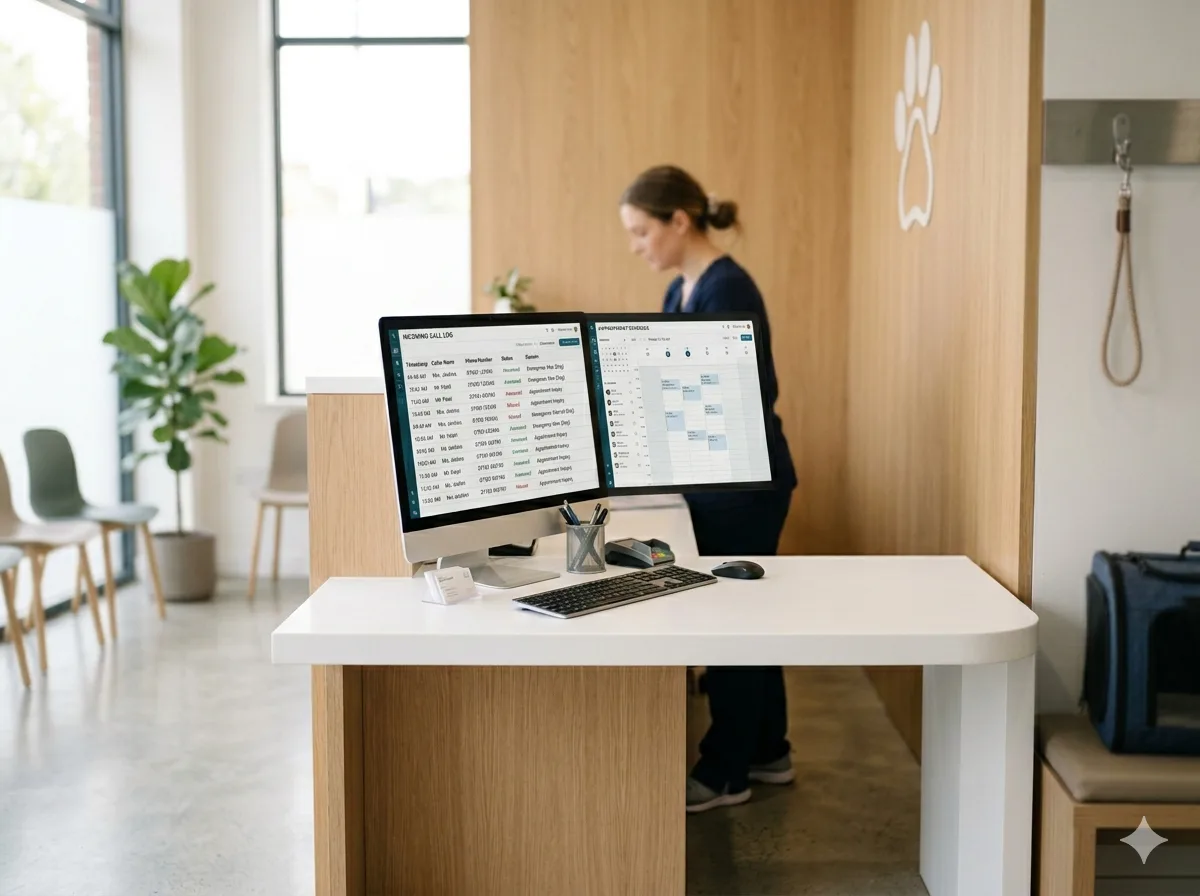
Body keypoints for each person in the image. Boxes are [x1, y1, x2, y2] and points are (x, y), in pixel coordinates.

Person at [618, 165, 799, 813]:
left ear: (679, 222)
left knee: (731, 624)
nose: (637, 245)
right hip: (717, 479)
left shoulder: (727, 289)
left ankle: (725, 772)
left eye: (642, 231)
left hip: (743, 486)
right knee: (751, 617)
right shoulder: (682, 290)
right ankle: (768, 749)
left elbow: (733, 397)